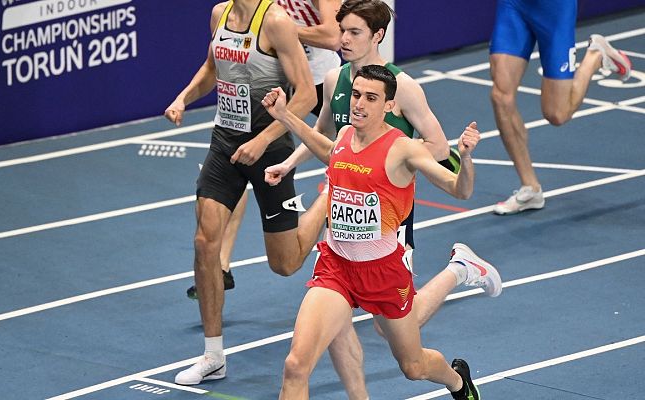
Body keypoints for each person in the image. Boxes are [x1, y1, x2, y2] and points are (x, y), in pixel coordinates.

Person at [263, 1, 501, 398]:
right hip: (336, 266)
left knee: (412, 365)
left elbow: (460, 189)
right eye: (356, 96)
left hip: (383, 266)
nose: (357, 103)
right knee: (294, 366)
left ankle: (458, 380)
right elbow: (326, 145)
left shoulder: (404, 144)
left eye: (370, 99)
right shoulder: (342, 131)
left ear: (389, 105)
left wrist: (466, 156)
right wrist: (286, 120)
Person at [163, 0, 327, 385]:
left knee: (284, 264)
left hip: (268, 149)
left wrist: (265, 138)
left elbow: (305, 95)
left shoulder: (276, 22)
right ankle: (213, 355)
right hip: (225, 143)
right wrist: (184, 97)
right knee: (205, 242)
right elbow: (211, 69)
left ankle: (330, 195)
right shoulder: (220, 14)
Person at [185, 0, 343, 301]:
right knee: (236, 163)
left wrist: (279, 31)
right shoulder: (236, 10)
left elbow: (332, 37)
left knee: (348, 155)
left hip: (319, 82)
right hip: (271, 83)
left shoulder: (277, 20)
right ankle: (222, 264)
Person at [490, 0, 632, 215]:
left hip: (554, 9)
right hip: (515, 5)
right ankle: (531, 188)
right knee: (501, 96)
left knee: (557, 114)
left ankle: (595, 56)